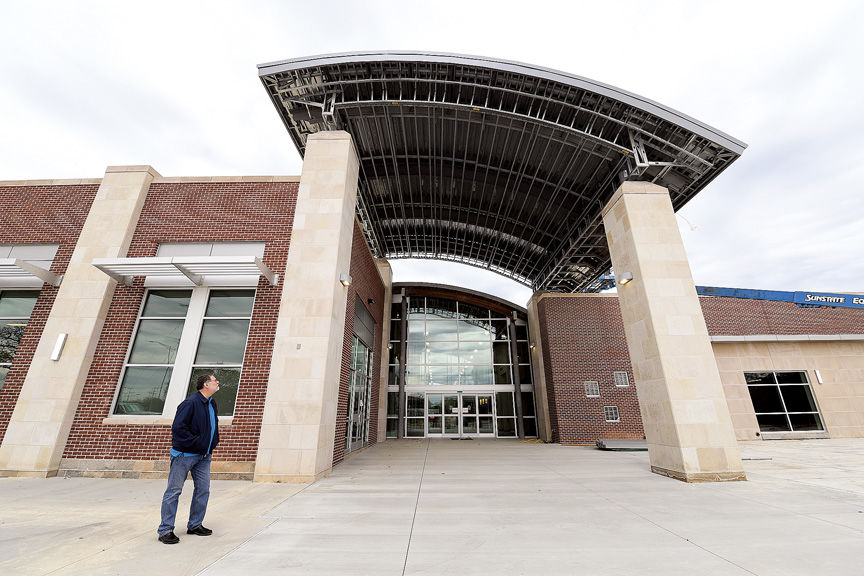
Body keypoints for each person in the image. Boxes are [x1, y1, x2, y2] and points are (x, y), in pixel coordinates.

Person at [157, 373, 220, 544]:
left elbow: (213, 425)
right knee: (173, 492)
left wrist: (212, 443)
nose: (217, 383)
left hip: (204, 457)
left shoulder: (211, 403)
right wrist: (197, 443)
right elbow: (178, 429)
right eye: (215, 381)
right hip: (184, 456)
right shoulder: (190, 403)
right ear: (206, 384)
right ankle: (165, 530)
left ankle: (195, 525)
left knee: (203, 490)